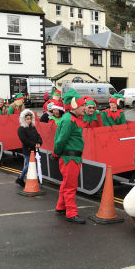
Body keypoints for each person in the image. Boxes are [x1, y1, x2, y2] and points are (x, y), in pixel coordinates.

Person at [52, 89, 86, 224]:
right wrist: (55, 153)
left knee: (66, 183)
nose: (84, 107)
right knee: (70, 186)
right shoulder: (68, 120)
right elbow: (61, 140)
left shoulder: (72, 118)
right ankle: (71, 213)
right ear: (74, 105)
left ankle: (61, 206)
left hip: (73, 158)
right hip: (69, 158)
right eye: (82, 105)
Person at [16, 109, 43, 187]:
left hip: (35, 149)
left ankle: (22, 178)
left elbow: (38, 136)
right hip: (28, 150)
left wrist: (39, 142)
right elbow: (24, 140)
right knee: (30, 165)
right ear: (23, 119)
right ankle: (21, 178)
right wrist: (34, 144)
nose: (29, 120)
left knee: (32, 164)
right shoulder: (21, 129)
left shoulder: (32, 127)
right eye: (27, 119)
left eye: (30, 119)